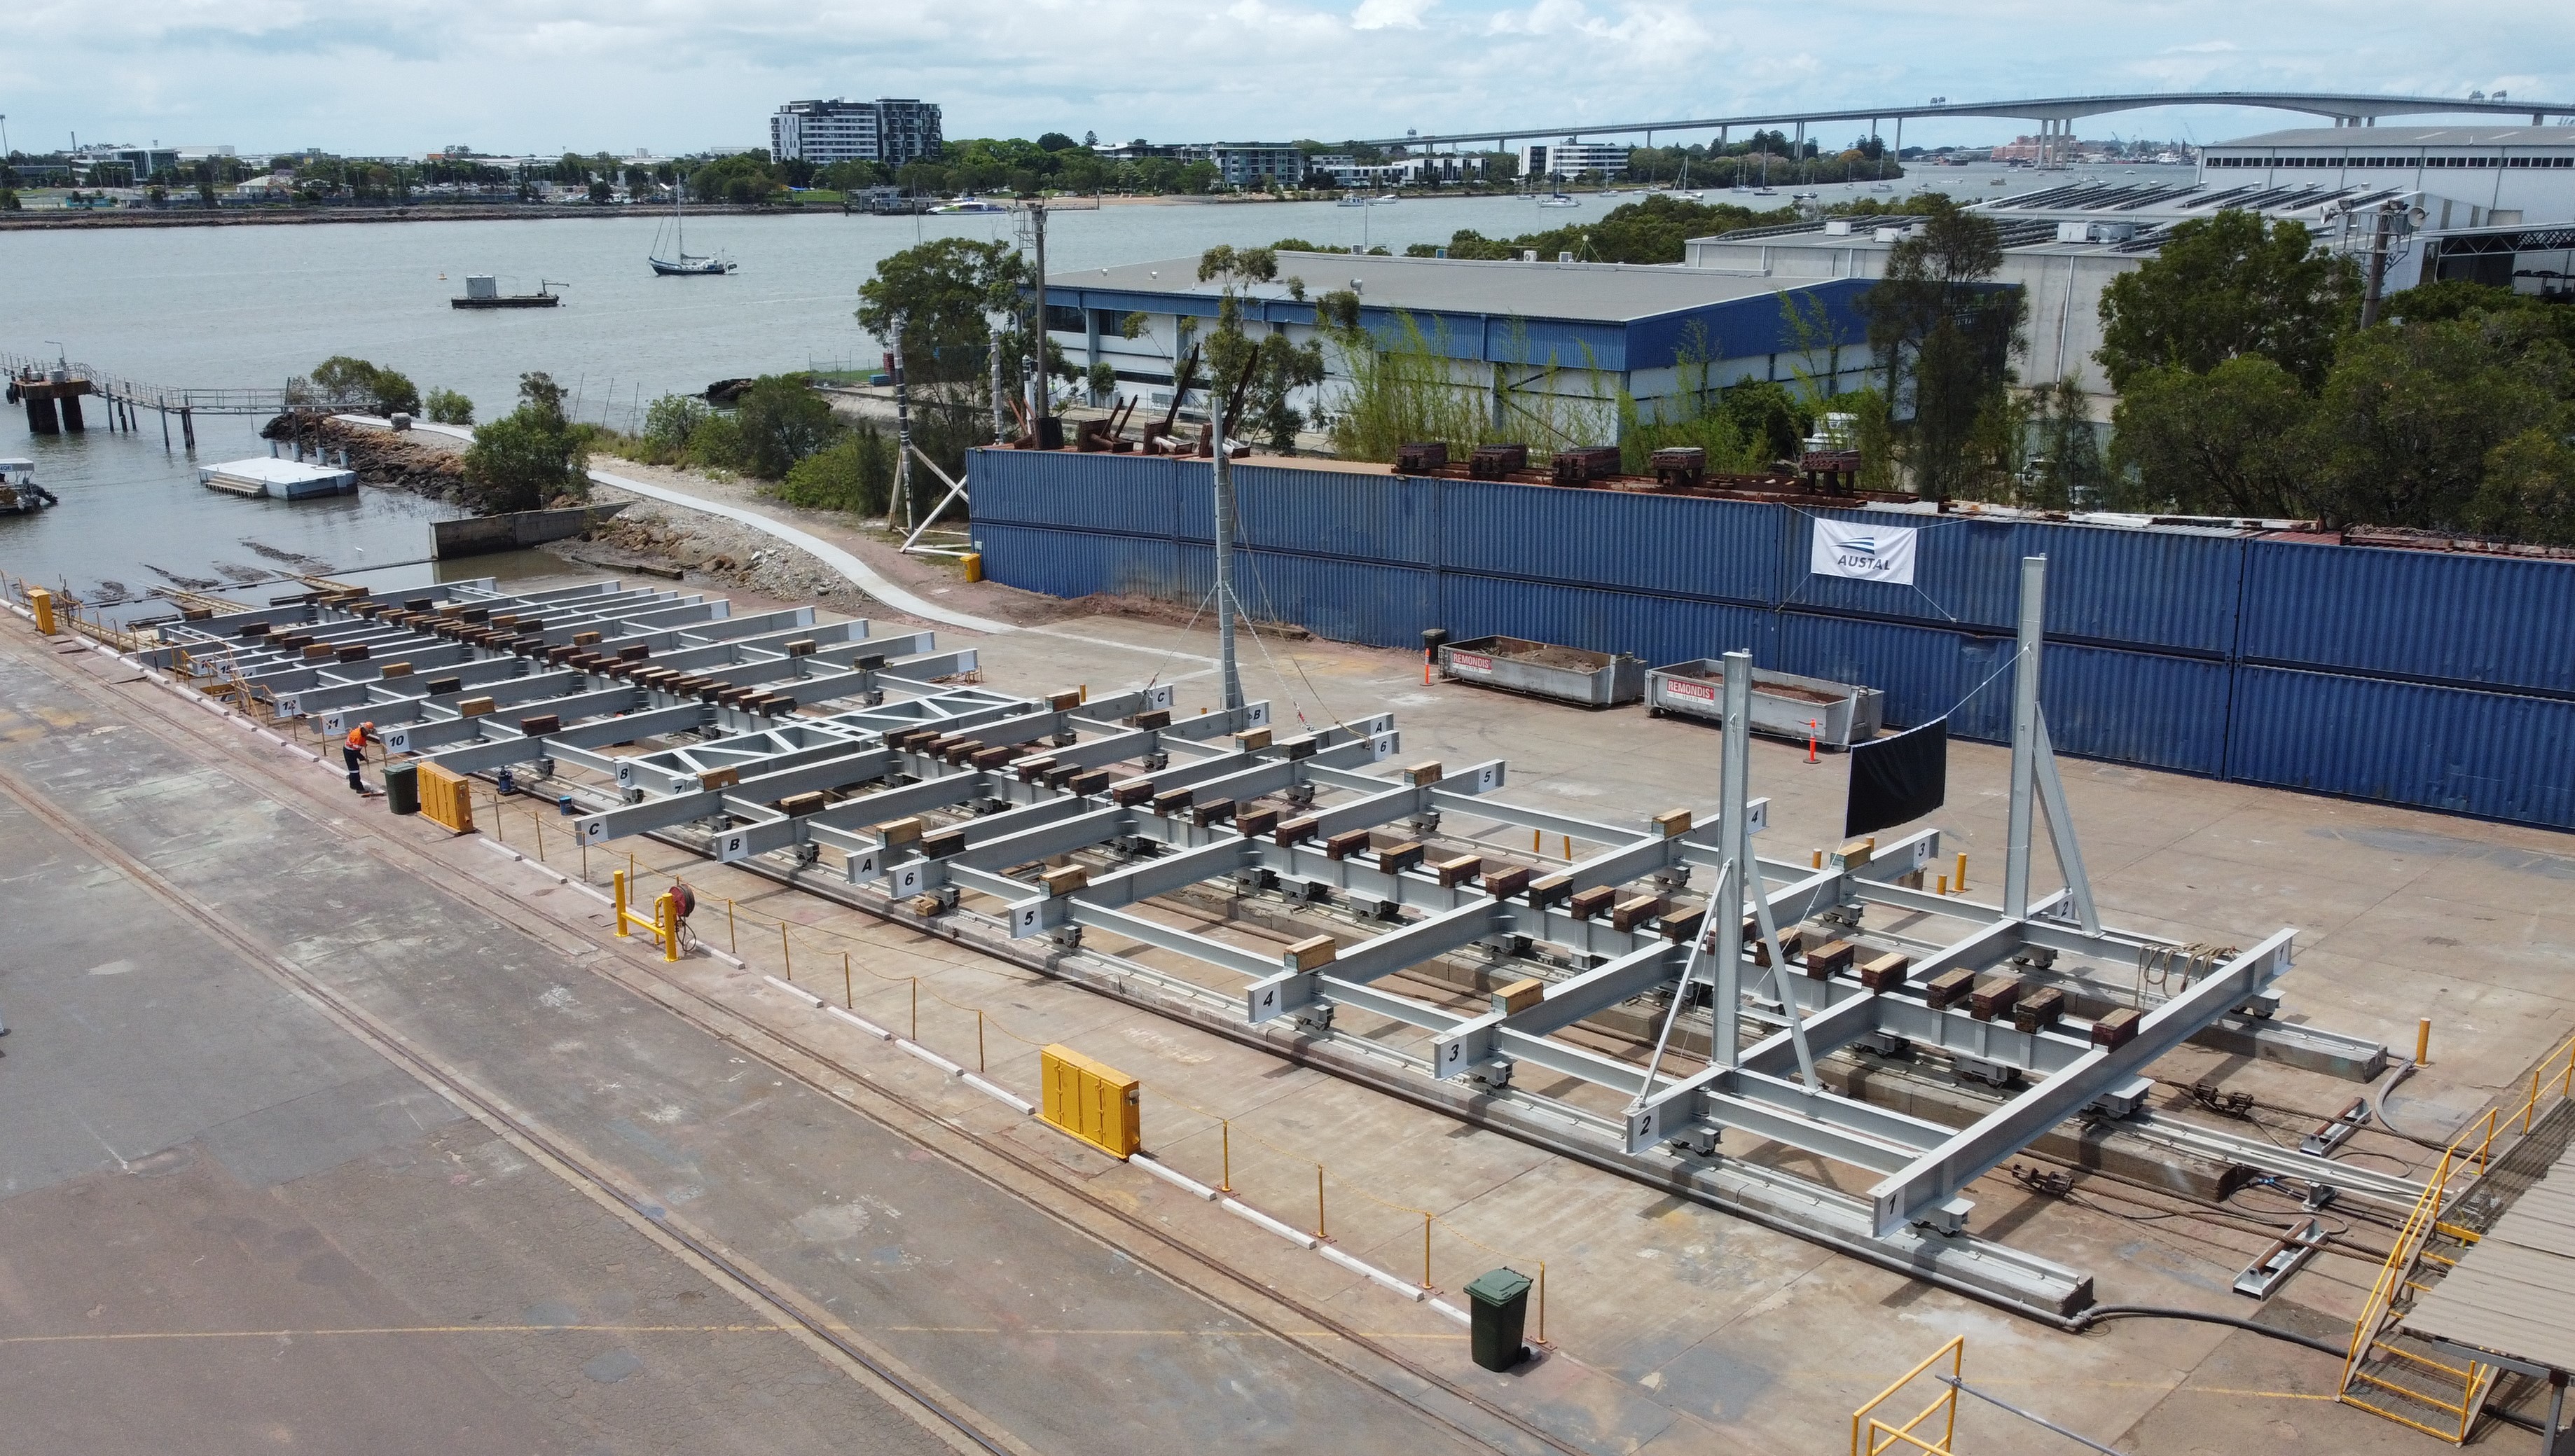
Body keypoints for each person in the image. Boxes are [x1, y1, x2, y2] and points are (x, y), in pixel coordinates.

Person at [344, 721, 378, 794]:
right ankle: (359, 788)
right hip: (350, 752)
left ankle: (353, 785)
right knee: (355, 770)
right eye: (369, 731)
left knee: (353, 770)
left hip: (351, 751)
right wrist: (364, 759)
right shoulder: (358, 736)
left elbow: (362, 739)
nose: (369, 733)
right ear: (366, 730)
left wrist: (364, 743)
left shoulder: (362, 732)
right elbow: (356, 752)